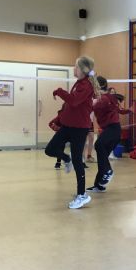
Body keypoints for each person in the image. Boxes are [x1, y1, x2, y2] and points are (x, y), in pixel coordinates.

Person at [45, 56, 99, 209]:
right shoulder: (79, 83)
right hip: (68, 126)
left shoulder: (86, 85)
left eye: (76, 66)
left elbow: (74, 101)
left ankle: (82, 195)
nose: (73, 69)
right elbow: (70, 106)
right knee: (50, 149)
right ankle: (65, 158)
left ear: (83, 69)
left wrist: (60, 91)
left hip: (79, 128)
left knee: (77, 160)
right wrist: (59, 119)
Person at [87, 76, 131, 193]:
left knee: (98, 145)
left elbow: (94, 106)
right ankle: (98, 185)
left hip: (113, 129)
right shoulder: (104, 98)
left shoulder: (104, 99)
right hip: (111, 131)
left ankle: (108, 171)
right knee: (102, 157)